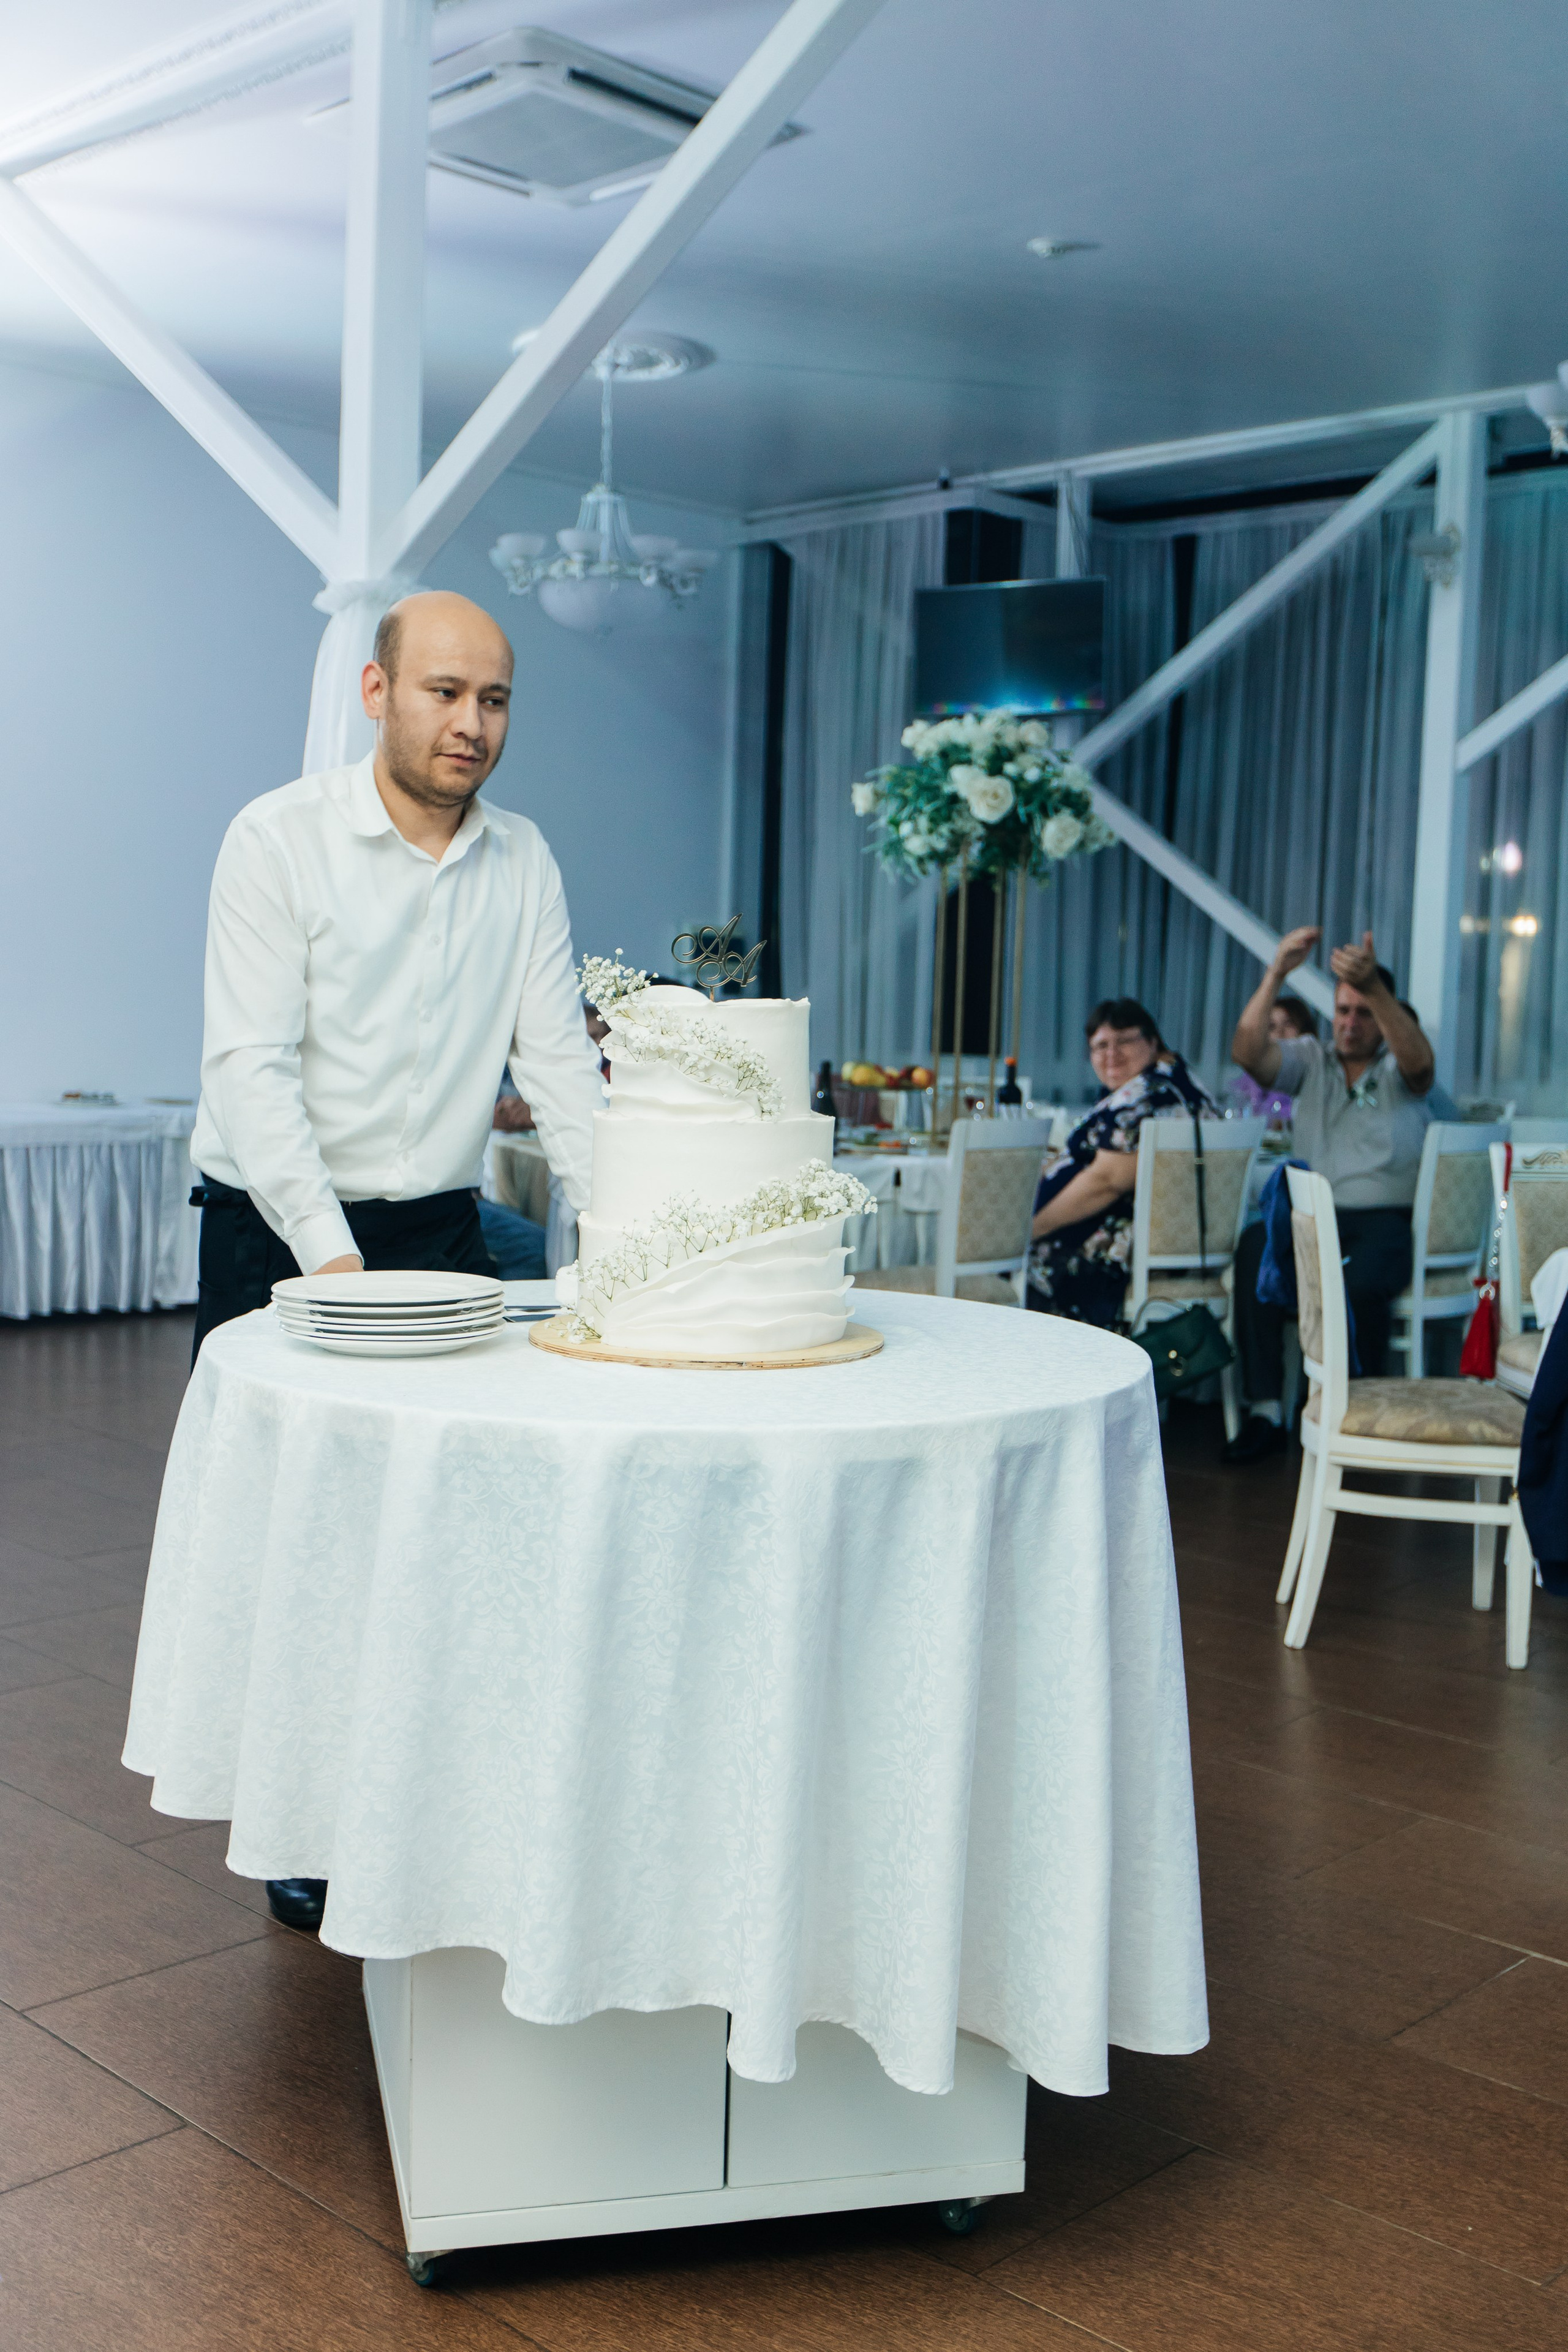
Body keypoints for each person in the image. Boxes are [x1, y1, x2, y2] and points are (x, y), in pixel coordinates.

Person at [188, 589, 603, 1928]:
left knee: (427, 1536)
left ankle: (416, 1808)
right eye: (442, 693)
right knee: (299, 1540)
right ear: (378, 694)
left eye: (493, 701)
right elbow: (251, 1073)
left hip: (433, 1223)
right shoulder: (277, 840)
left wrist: (624, 1245)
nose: (470, 725)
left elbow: (560, 1075)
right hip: (278, 1221)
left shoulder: (523, 858)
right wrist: (328, 1263)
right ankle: (297, 1828)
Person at [1223, 925, 1435, 1463]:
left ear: (1385, 1018)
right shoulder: (1311, 1061)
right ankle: (1267, 1410)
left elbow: (1420, 1065)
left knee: (1361, 1280)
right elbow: (1248, 1053)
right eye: (1343, 1010)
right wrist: (1276, 972)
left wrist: (1377, 989)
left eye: (1364, 1012)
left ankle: (1349, 1412)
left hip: (1382, 1223)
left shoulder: (1397, 1068)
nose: (1350, 1022)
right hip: (1312, 1220)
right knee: (1253, 1251)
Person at [1026, 998, 1216, 1327]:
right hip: (1159, 1240)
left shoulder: (1151, 1094)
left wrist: (1028, 1229)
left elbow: (1107, 1183)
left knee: (1011, 1265)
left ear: (1153, 1041)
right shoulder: (1173, 1081)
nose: (1111, 1054)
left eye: (1125, 1041)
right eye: (1100, 1046)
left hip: (1124, 1250)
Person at [1231, 995, 1315, 1121]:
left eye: (1288, 1024)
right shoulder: (1248, 1089)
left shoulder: (1317, 1079)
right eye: (1272, 1026)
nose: (1279, 1033)